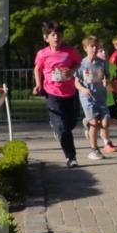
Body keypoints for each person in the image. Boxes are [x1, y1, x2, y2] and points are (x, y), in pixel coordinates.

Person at [32, 21, 83, 167]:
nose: (56, 38)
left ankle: (57, 128)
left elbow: (77, 63)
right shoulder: (42, 54)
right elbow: (37, 69)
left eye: (59, 35)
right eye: (53, 35)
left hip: (70, 91)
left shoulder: (70, 51)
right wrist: (38, 84)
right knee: (63, 126)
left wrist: (72, 71)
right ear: (46, 37)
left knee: (71, 123)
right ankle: (71, 157)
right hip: (52, 92)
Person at [75, 36, 111, 161]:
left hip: (101, 97)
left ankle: (87, 123)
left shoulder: (103, 63)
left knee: (105, 123)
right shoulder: (81, 64)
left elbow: (107, 76)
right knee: (95, 123)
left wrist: (107, 81)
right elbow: (76, 83)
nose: (95, 48)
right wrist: (83, 89)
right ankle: (94, 150)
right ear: (85, 48)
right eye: (92, 46)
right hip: (87, 97)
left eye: (96, 46)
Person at [96, 44, 117, 153]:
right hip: (97, 98)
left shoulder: (112, 66)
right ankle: (107, 143)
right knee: (104, 122)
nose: (104, 53)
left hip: (109, 98)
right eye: (101, 51)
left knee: (109, 121)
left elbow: (114, 82)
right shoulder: (92, 65)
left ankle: (91, 128)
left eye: (105, 50)